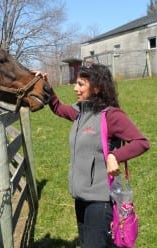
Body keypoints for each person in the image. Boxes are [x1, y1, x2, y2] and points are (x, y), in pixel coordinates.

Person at [34, 62, 150, 248]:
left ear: (96, 87)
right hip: (81, 198)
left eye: (81, 84)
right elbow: (57, 107)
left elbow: (142, 142)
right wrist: (45, 84)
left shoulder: (111, 116)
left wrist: (115, 156)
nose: (75, 88)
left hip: (100, 200)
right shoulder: (81, 112)